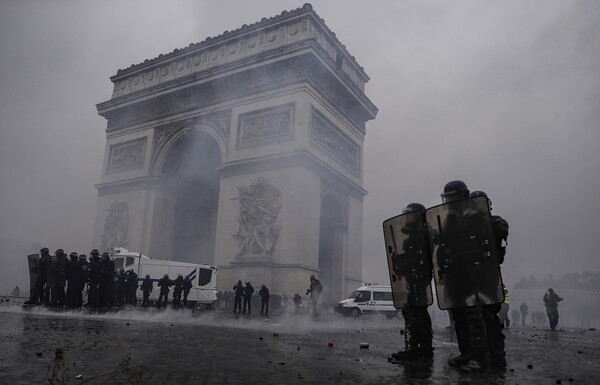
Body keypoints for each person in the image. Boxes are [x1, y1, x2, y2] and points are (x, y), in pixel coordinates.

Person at [388, 203, 434, 362]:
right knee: (418, 312)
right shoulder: (418, 236)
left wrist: (404, 262)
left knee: (414, 312)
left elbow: (421, 260)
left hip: (419, 280)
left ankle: (415, 349)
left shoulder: (424, 236)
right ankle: (423, 348)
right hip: (415, 280)